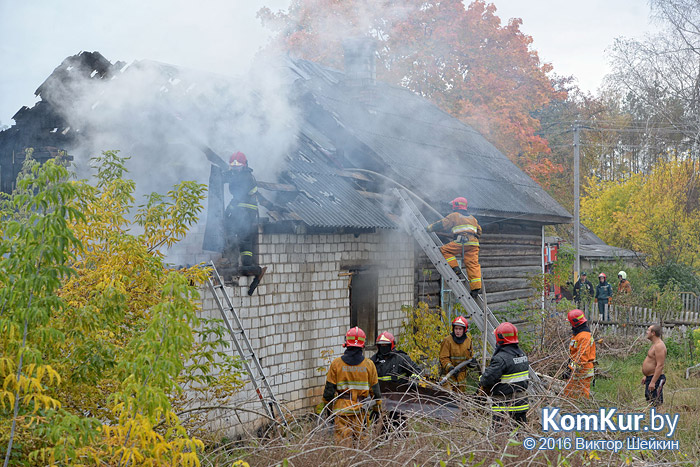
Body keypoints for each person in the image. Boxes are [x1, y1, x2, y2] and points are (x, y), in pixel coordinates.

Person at [316, 327, 382, 445]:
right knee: (362, 446)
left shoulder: (336, 364)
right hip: (361, 412)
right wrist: (377, 410)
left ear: (346, 343)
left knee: (343, 448)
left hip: (342, 412)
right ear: (363, 345)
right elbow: (376, 393)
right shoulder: (369, 365)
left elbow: (328, 393)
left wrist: (328, 410)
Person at [426, 197, 482, 298]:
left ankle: (455, 268)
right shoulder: (473, 218)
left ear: (456, 205)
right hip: (474, 244)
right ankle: (475, 289)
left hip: (461, 242)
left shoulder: (454, 216)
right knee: (473, 265)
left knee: (445, 250)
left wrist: (429, 228)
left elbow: (442, 224)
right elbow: (479, 231)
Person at [478, 322, 529, 430]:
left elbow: (486, 379)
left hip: (504, 406)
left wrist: (481, 380)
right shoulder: (522, 355)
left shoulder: (501, 358)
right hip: (521, 404)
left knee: (500, 436)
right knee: (521, 435)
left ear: (500, 338)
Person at [221, 152, 259, 272]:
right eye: (233, 166)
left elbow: (238, 198)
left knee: (232, 233)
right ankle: (246, 264)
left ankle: (232, 262)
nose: (235, 169)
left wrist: (228, 211)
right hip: (249, 212)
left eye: (237, 166)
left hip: (243, 211)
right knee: (245, 238)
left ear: (244, 165)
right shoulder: (248, 175)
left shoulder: (244, 178)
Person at [563, 309, 596, 399]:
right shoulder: (578, 334)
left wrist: (570, 369)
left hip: (582, 369)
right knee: (569, 393)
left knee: (582, 396)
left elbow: (582, 357)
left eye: (570, 322)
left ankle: (582, 410)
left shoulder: (584, 336)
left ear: (575, 323)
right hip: (577, 369)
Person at [439, 316, 474, 392]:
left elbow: (470, 357)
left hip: (461, 377)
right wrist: (450, 368)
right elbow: (443, 358)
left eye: (460, 329)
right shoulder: (447, 340)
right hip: (449, 376)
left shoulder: (468, 341)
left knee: (460, 399)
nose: (457, 331)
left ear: (464, 330)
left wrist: (471, 363)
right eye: (456, 329)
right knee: (448, 399)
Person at [641, 324, 667, 408]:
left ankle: (659, 418)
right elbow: (653, 362)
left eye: (648, 330)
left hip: (656, 378)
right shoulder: (654, 345)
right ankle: (653, 418)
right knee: (649, 399)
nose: (646, 332)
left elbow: (660, 365)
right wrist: (646, 376)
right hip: (651, 376)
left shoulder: (659, 346)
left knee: (656, 402)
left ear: (653, 333)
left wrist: (653, 381)